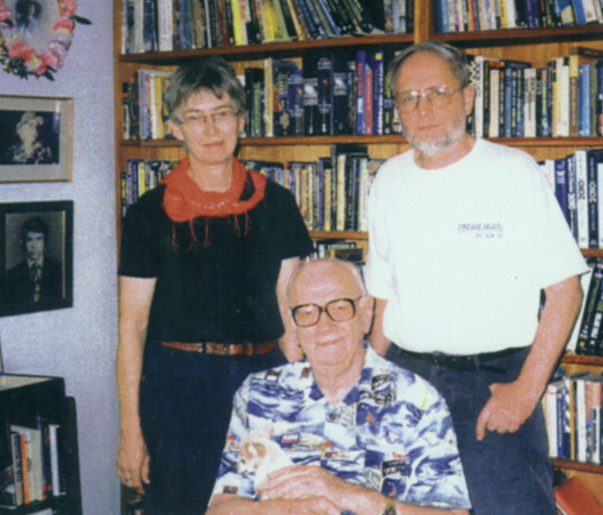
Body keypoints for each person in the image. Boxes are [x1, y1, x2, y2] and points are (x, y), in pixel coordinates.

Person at [364, 41, 588, 515]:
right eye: (408, 98)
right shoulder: (388, 180)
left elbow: (565, 290)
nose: (422, 109)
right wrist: (367, 386)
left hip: (494, 386)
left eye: (436, 93)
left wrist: (526, 391)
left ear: (467, 98)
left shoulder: (512, 171)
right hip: (408, 379)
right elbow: (383, 300)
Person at [115, 56, 313, 514]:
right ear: (175, 128)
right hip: (177, 387)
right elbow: (132, 327)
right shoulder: (148, 213)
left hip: (262, 378)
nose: (210, 128)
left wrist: (302, 394)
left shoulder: (277, 203)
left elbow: (289, 311)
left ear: (241, 121)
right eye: (195, 117)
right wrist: (131, 431)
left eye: (221, 113)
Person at [208, 258, 471, 515]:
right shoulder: (258, 393)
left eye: (340, 307)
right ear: (293, 324)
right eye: (307, 312)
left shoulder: (418, 400)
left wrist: (350, 496)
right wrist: (293, 508)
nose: (324, 326)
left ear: (367, 313)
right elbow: (221, 508)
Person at [2, 216, 63, 306]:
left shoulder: (59, 270)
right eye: (29, 240)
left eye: (39, 239)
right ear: (23, 242)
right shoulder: (11, 275)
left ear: (45, 241)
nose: (34, 246)